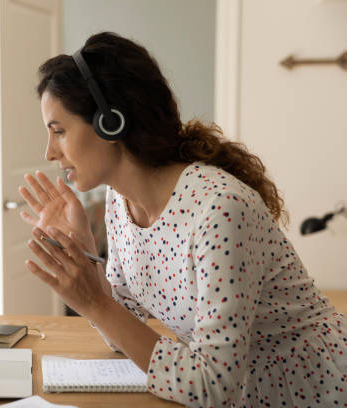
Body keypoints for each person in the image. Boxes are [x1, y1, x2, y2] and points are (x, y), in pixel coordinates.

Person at [18, 32, 346, 407]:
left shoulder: (219, 209)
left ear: (111, 122)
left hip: (316, 391)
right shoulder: (119, 202)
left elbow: (212, 386)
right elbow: (120, 333)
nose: (48, 153)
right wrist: (87, 255)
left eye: (59, 131)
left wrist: (93, 300)